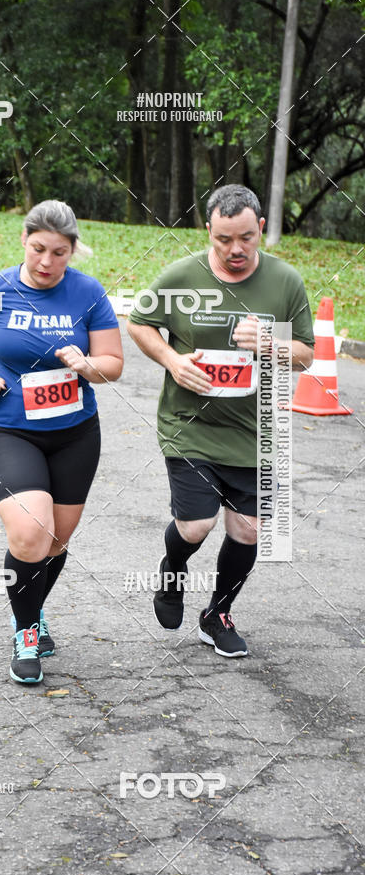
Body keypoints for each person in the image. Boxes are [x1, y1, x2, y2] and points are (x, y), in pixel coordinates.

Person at [127, 184, 314, 657]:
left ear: (261, 230)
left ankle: (217, 614)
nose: (236, 250)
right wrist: (172, 360)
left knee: (249, 530)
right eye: (224, 239)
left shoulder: (286, 281)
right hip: (190, 423)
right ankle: (173, 571)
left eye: (246, 239)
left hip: (257, 428)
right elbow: (139, 322)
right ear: (207, 230)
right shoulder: (182, 276)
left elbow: (307, 355)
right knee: (195, 527)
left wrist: (271, 341)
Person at [0, 200, 123, 683]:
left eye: (60, 253)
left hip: (74, 434)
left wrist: (87, 365)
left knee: (55, 540)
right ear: (23, 241)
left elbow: (113, 364)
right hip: (8, 428)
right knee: (30, 534)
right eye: (39, 249)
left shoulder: (87, 293)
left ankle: (34, 609)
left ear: (73, 252)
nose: (47, 262)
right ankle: (26, 632)